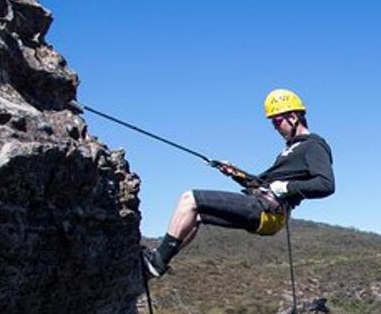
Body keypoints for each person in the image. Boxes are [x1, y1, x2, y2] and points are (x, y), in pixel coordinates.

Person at [142, 88, 335, 278]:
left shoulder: (314, 145)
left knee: (189, 199)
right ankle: (159, 262)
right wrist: (234, 173)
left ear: (293, 117)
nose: (275, 127)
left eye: (277, 121)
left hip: (267, 209)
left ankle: (157, 261)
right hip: (264, 206)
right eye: (273, 123)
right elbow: (261, 183)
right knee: (196, 215)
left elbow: (326, 184)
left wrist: (285, 188)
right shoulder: (291, 149)